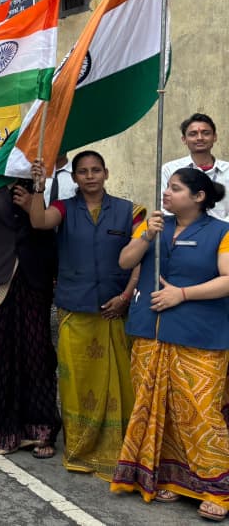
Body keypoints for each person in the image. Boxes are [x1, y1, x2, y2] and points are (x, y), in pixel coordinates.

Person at [111, 168, 229, 521]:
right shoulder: (153, 225)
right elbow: (125, 261)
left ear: (198, 197)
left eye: (175, 189)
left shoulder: (221, 232)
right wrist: (147, 235)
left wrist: (182, 294)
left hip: (200, 335)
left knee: (201, 412)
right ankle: (173, 479)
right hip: (150, 333)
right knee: (157, 409)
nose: (167, 193)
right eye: (167, 187)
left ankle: (218, 489)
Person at [25, 151, 143, 476]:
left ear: (106, 173)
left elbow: (140, 258)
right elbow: (38, 221)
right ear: (75, 177)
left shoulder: (129, 211)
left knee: (120, 381)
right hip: (74, 308)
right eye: (83, 171)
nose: (90, 176)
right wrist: (38, 188)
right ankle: (80, 446)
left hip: (115, 309)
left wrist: (125, 296)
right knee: (76, 382)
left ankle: (120, 448)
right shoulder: (63, 208)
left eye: (95, 170)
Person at [0, 136, 60, 458]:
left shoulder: (41, 188)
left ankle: (40, 430)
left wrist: (34, 199)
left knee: (37, 356)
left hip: (33, 281)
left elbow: (47, 231)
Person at [161, 113, 229, 221]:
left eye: (206, 133)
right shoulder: (170, 169)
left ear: (215, 137)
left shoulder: (227, 170)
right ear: (184, 139)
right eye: (193, 134)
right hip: (183, 229)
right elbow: (164, 207)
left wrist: (218, 228)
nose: (200, 138)